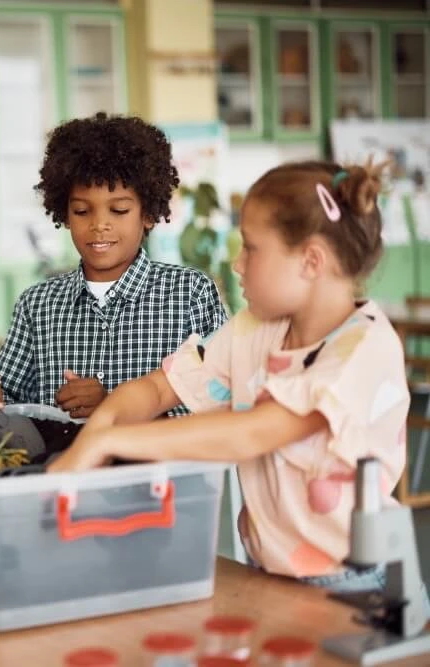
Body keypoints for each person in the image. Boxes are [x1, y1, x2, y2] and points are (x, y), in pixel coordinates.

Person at [50, 161, 412, 597]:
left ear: (311, 260)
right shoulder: (255, 329)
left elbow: (254, 432)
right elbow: (158, 388)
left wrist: (108, 443)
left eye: (252, 249)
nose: (238, 265)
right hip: (271, 575)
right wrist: (97, 431)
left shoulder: (364, 349)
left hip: (358, 586)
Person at [0, 112, 228, 419]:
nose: (99, 225)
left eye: (119, 210)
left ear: (148, 213)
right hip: (65, 466)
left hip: (164, 466)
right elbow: (6, 401)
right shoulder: (38, 306)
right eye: (82, 211)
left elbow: (223, 402)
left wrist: (113, 407)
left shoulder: (190, 293)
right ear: (65, 215)